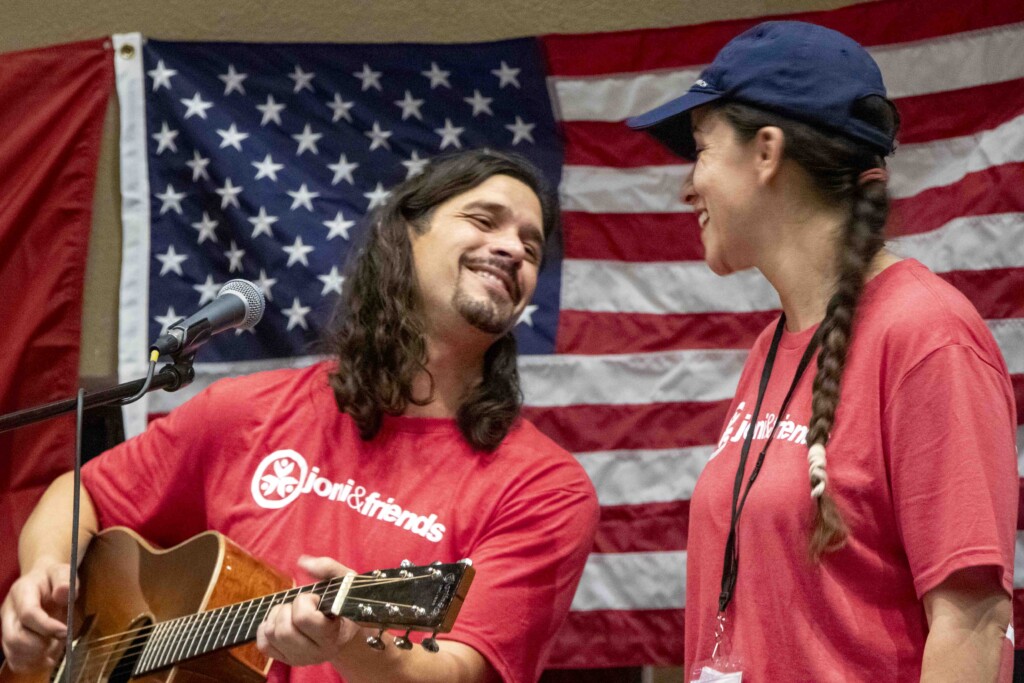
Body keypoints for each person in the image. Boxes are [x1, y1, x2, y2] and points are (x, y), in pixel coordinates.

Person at [0, 149, 600, 683]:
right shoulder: (246, 412)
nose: (513, 248)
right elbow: (78, 494)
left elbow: (463, 671)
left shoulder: (545, 487)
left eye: (532, 245)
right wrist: (46, 579)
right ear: (406, 235)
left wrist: (352, 646)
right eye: (484, 219)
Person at [627, 21, 1017, 682]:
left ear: (766, 152)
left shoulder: (928, 335)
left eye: (700, 148)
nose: (687, 186)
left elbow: (973, 624)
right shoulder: (770, 348)